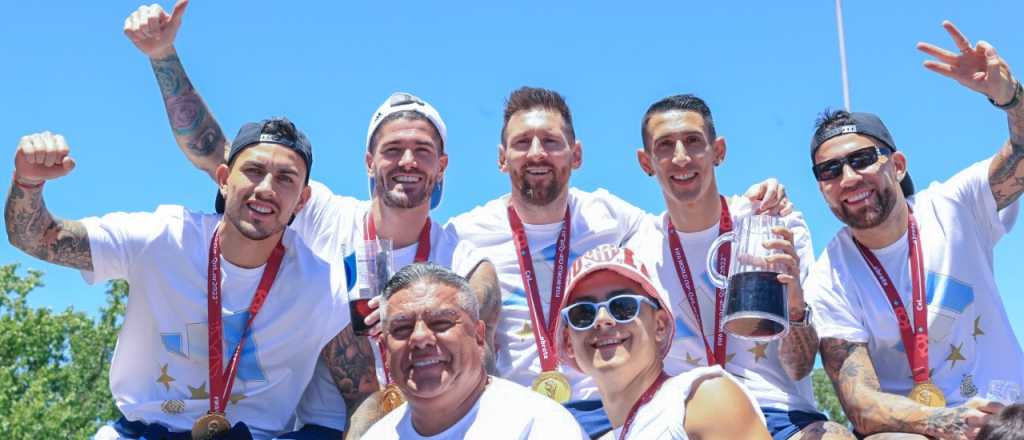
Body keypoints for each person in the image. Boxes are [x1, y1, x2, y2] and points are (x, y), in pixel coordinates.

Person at [122, 2, 500, 436]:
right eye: (393, 150)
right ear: (369, 162)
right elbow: (217, 153)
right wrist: (163, 55)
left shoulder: (463, 257)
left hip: (429, 425)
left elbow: (481, 342)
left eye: (423, 151)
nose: (407, 162)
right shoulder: (318, 210)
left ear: (442, 166)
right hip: (322, 427)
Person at [445, 86, 788, 437]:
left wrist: (754, 206)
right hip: (520, 415)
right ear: (502, 158)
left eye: (550, 141)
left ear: (577, 155)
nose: (537, 153)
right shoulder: (465, 234)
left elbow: (685, 219)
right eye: (522, 143)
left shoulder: (610, 216)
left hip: (605, 413)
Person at [5, 119, 350, 439]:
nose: (266, 188)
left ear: (302, 200)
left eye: (285, 178)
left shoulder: (324, 287)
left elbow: (363, 387)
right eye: (253, 171)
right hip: (144, 431)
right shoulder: (164, 238)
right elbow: (37, 237)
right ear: (224, 179)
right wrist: (28, 181)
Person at [806, 21, 1024, 439]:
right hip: (917, 431)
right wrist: (948, 422)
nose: (848, 178)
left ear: (898, 165)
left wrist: (1010, 96)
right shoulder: (828, 276)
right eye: (829, 170)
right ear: (822, 188)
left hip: (1009, 417)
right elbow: (860, 403)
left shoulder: (955, 206)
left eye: (862, 159)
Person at [628, 94, 854, 439]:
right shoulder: (637, 251)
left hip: (777, 413)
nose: (681, 157)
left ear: (718, 151)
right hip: (684, 419)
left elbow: (799, 368)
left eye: (693, 141)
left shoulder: (772, 223)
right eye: (665, 145)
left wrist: (794, 304)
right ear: (646, 162)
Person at [553, 244, 770, 439]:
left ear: (660, 326)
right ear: (568, 342)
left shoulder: (703, 400)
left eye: (624, 306)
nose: (602, 319)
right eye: (582, 313)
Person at [362, 263, 587, 439]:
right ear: (384, 349)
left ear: (478, 335)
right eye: (402, 328)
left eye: (440, 323)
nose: (420, 338)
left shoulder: (539, 425)